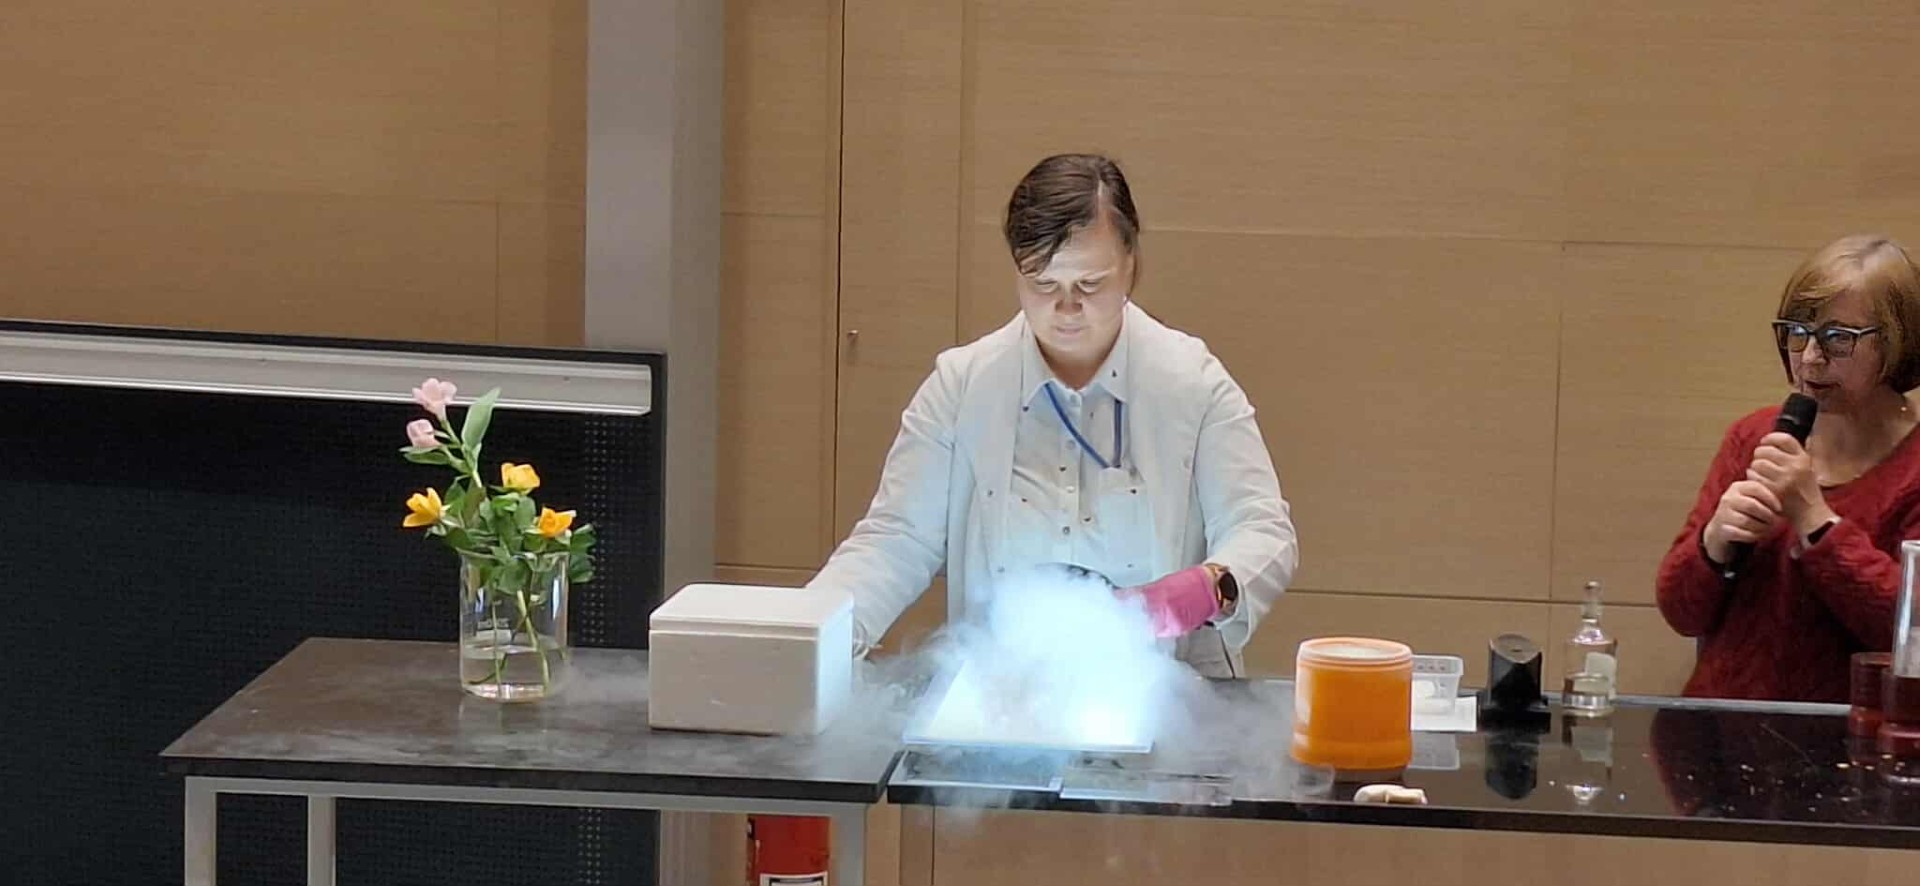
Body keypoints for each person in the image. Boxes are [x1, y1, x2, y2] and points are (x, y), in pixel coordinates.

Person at [807, 153, 1298, 678]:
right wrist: (807, 636)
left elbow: (1262, 527)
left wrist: (1211, 587)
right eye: (1043, 284)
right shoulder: (962, 385)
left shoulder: (1192, 383)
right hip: (1003, 685)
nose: (1066, 308)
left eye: (1090, 284)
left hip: (1166, 684)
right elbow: (896, 539)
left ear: (1130, 264)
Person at [1656, 234, 1920, 702]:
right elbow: (1681, 611)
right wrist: (1714, 543)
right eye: (1798, 332)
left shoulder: (1913, 468)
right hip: (1720, 727)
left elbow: (1909, 635)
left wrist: (1816, 522)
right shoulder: (1754, 437)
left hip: (1850, 734)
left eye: (1838, 338)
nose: (1811, 357)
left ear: (1897, 343)